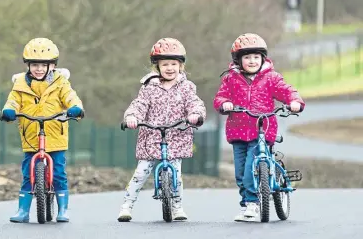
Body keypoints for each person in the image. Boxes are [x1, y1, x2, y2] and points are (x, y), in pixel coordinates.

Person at [213, 33, 305, 222]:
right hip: (238, 131)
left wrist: (294, 101)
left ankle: (253, 204)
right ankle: (247, 201)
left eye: (256, 57)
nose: (252, 61)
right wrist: (224, 104)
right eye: (247, 57)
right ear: (238, 60)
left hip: (262, 129)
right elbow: (220, 97)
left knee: (249, 170)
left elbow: (287, 90)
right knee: (240, 172)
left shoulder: (271, 78)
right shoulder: (231, 79)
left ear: (263, 58)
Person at [117, 38, 207, 222]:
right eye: (165, 64)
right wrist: (132, 117)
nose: (170, 68)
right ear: (157, 67)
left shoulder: (187, 87)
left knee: (176, 173)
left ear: (181, 65)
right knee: (141, 172)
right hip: (151, 135)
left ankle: (177, 206)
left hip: (176, 134)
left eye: (174, 64)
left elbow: (195, 103)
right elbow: (139, 105)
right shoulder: (149, 88)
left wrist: (195, 115)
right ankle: (127, 205)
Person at [0, 38, 85, 223]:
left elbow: (70, 97)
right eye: (34, 64)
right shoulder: (21, 84)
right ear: (27, 65)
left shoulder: (60, 82)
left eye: (43, 65)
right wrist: (9, 111)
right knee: (27, 173)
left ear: (52, 65)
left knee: (59, 172)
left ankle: (63, 209)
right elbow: (13, 100)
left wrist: (75, 107)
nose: (38, 69)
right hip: (31, 135)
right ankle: (23, 211)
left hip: (55, 134)